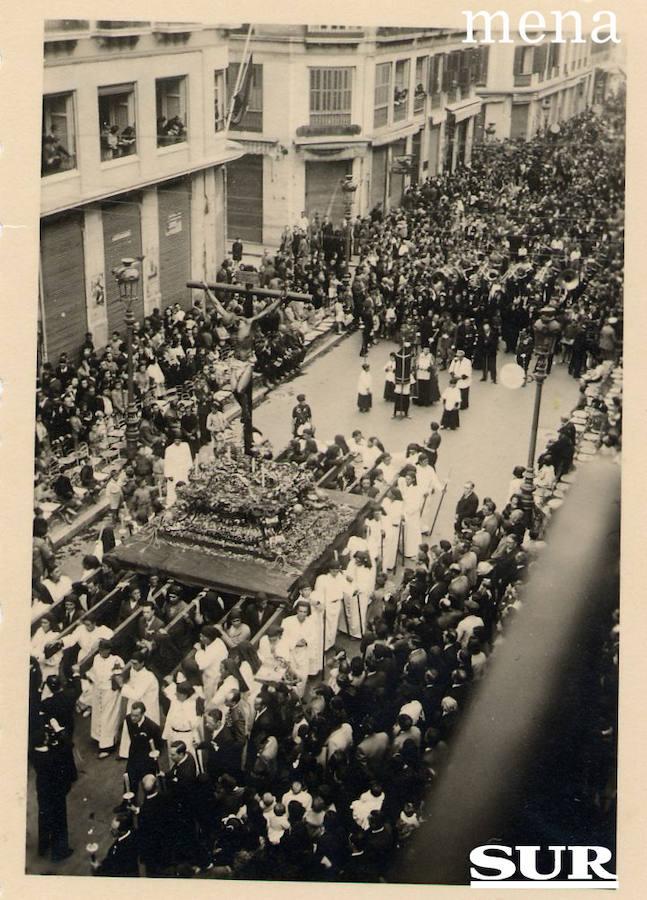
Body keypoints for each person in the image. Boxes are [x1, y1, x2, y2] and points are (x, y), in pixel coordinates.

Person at [32, 722, 76, 862]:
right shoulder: (52, 756)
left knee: (44, 816)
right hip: (56, 791)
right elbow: (67, 748)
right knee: (59, 820)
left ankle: (43, 846)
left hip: (42, 788)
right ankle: (60, 851)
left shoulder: (33, 753)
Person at [87, 639, 124, 758]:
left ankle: (107, 745)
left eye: (104, 650)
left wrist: (113, 685)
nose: (102, 652)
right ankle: (98, 737)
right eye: (100, 649)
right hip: (98, 690)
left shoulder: (116, 660)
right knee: (98, 714)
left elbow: (118, 676)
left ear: (109, 650)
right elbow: (93, 672)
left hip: (110, 691)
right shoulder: (96, 658)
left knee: (108, 716)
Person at [122, 701, 163, 800]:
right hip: (134, 756)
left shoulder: (153, 727)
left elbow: (159, 746)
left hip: (147, 760)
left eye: (136, 716)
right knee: (129, 780)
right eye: (132, 715)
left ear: (143, 714)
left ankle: (148, 806)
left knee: (148, 785)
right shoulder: (128, 719)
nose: (133, 718)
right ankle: (128, 804)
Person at [91, 811, 139, 877]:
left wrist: (98, 868)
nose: (110, 830)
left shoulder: (122, 849)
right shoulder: (132, 833)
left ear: (121, 832)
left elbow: (114, 868)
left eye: (113, 829)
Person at [163, 432, 193, 508]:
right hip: (174, 471)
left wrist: (190, 469)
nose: (177, 442)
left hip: (183, 470)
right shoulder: (169, 449)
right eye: (176, 440)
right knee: (172, 490)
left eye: (179, 440)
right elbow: (167, 463)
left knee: (184, 487)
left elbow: (189, 458)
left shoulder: (185, 446)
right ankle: (172, 505)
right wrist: (168, 475)